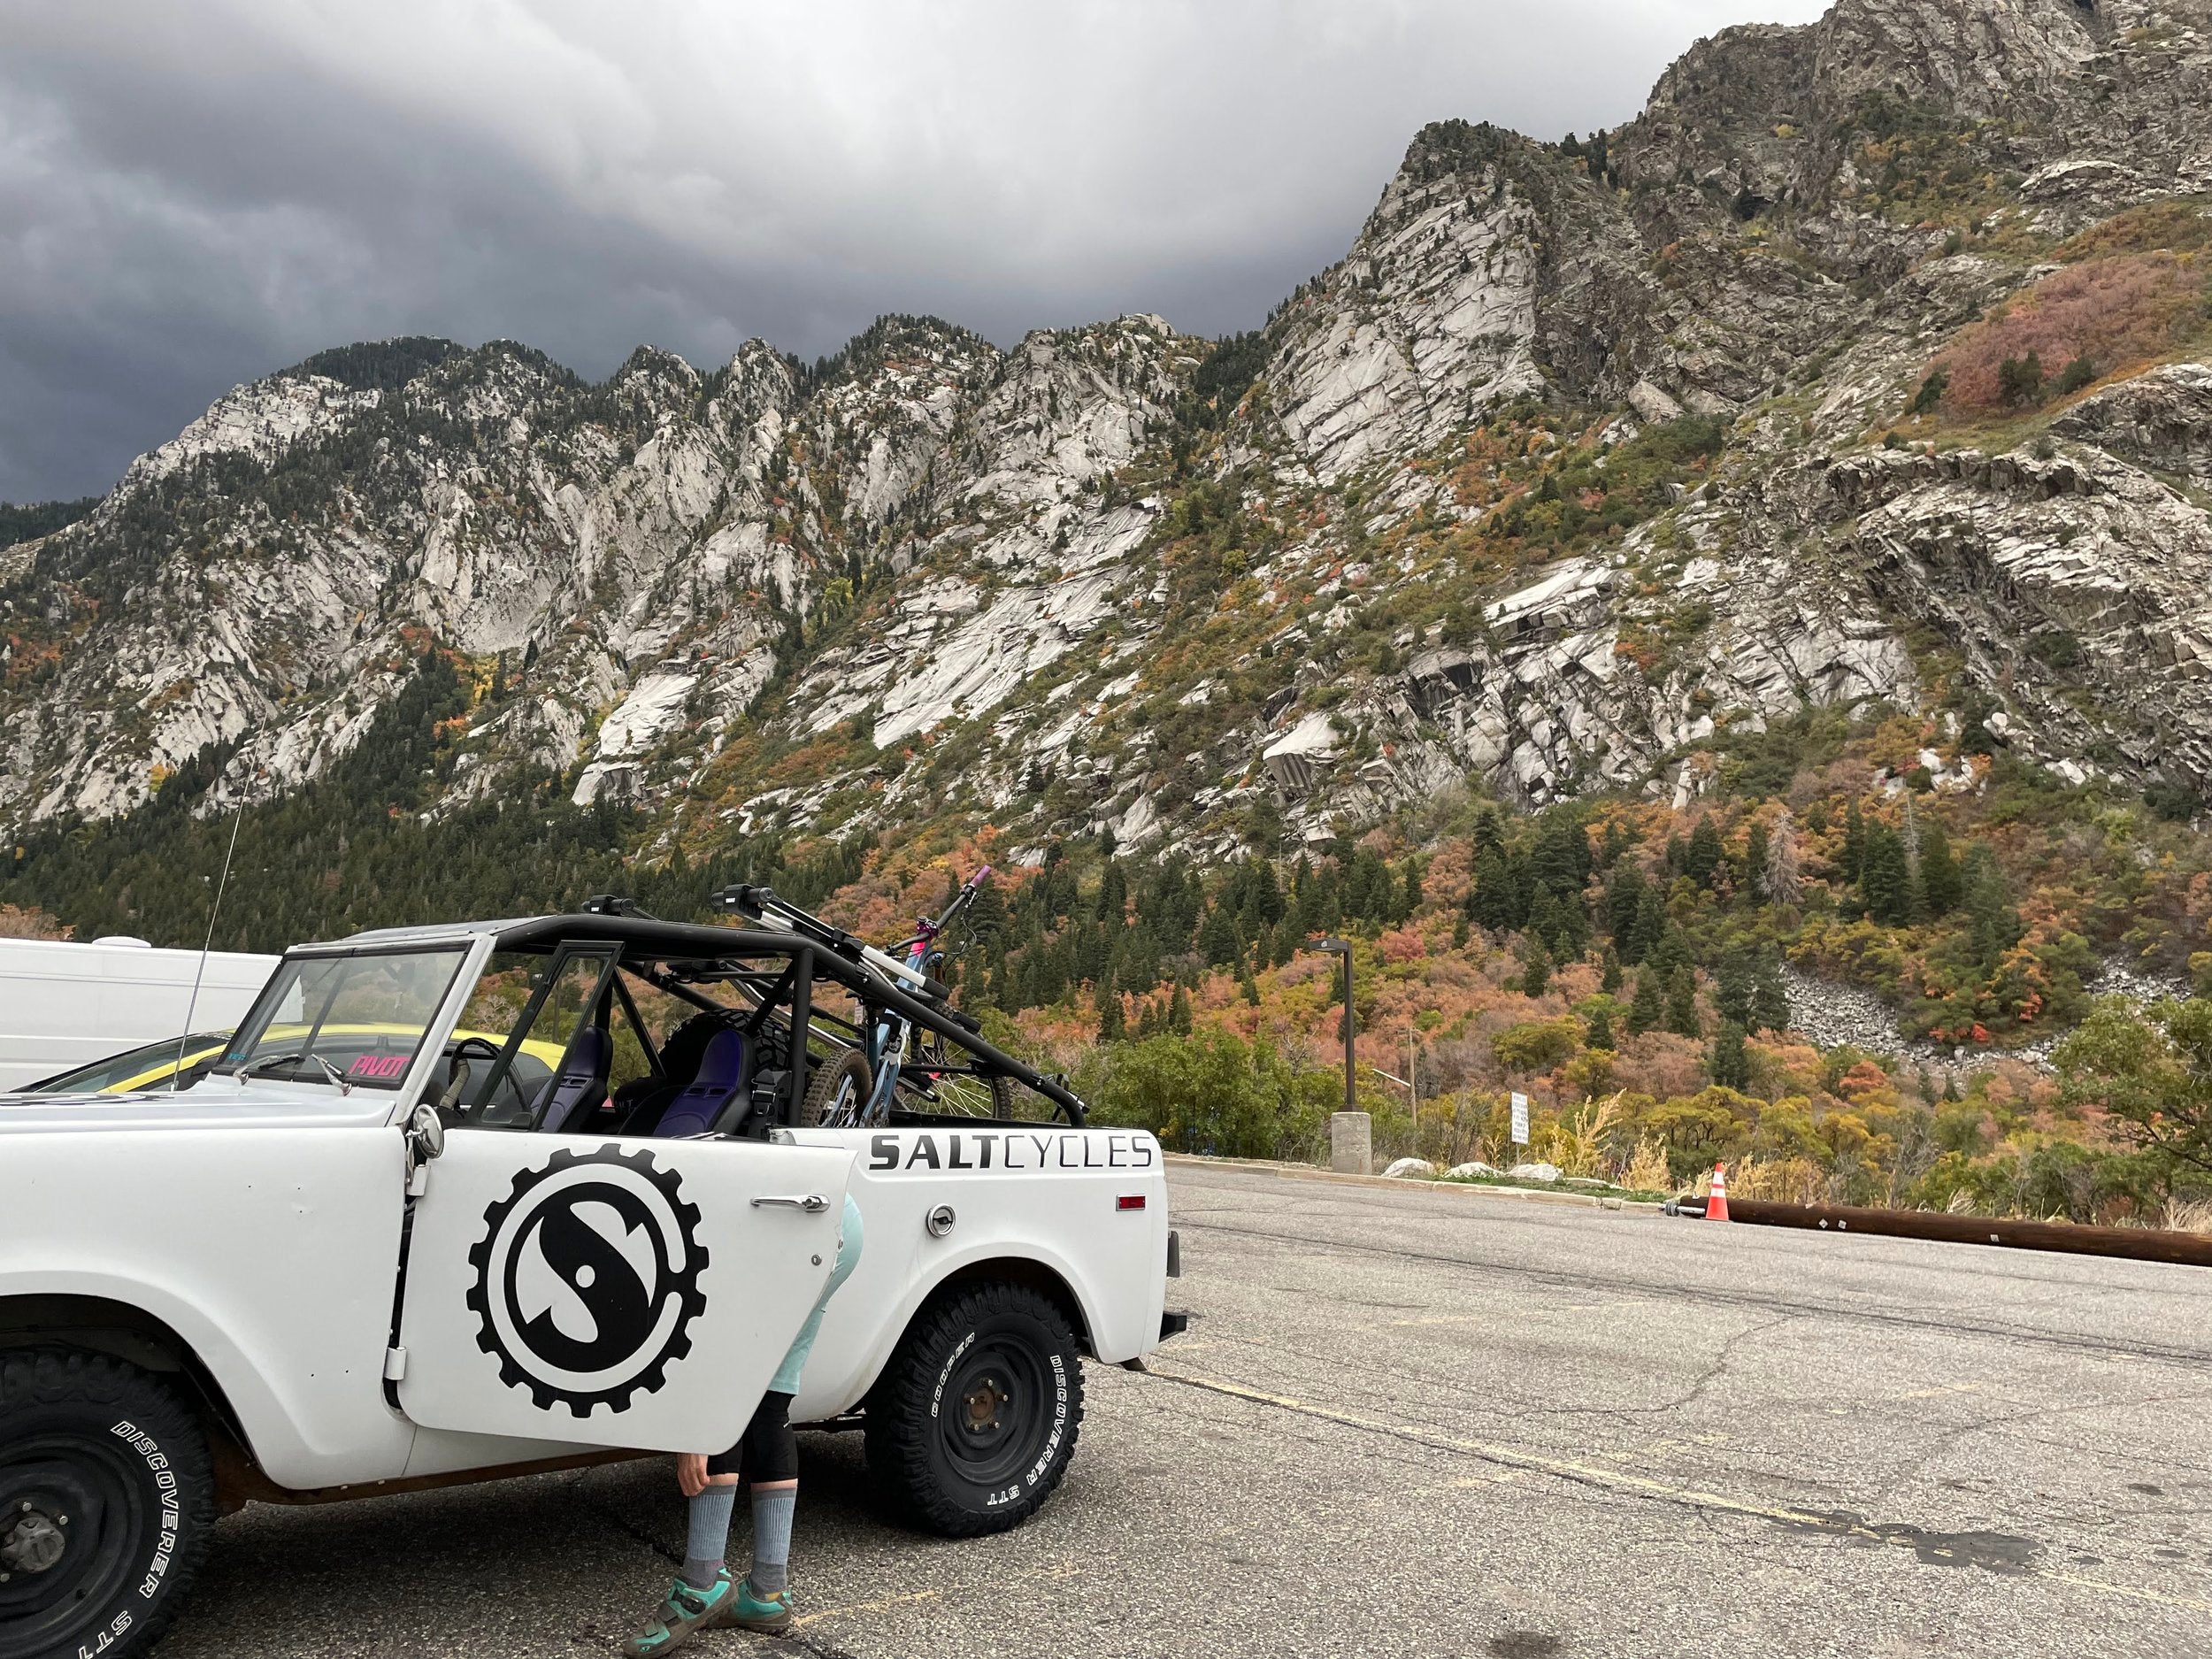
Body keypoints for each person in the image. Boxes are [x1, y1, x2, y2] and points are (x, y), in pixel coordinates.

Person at [624, 1191, 863, 1655]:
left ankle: (700, 1584)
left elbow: (713, 1337)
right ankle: (767, 1595)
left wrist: (697, 1429)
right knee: (769, 1400)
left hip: (780, 1220)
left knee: (731, 1384)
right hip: (833, 1216)